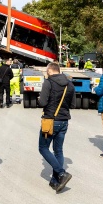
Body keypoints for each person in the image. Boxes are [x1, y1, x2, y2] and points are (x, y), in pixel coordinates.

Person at [38, 62, 76, 193]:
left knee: (43, 148)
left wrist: (40, 99)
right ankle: (55, 180)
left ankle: (61, 173)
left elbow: (42, 102)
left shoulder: (48, 83)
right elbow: (73, 104)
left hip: (50, 121)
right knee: (58, 150)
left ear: (49, 71)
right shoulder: (69, 84)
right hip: (64, 121)